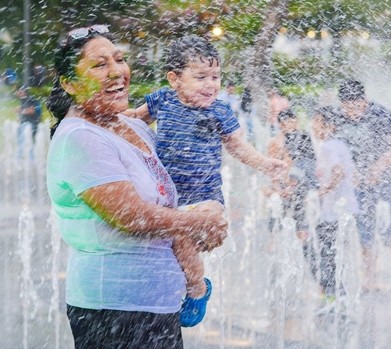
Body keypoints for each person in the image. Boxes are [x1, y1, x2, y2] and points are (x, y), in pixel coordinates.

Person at [45, 25, 228, 348]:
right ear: (70, 83)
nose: (117, 71)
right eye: (100, 65)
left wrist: (208, 209)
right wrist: (199, 221)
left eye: (119, 59)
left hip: (159, 306)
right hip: (114, 311)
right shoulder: (80, 137)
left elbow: (169, 192)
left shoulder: (131, 126)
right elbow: (130, 216)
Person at [126, 35, 286, 321]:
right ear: (175, 79)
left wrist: (264, 164)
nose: (211, 84)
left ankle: (198, 290)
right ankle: (170, 289)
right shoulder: (162, 100)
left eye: (216, 76)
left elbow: (236, 145)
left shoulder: (219, 111)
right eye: (200, 77)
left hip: (205, 197)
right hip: (168, 197)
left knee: (183, 242)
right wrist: (105, 122)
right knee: (163, 245)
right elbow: (133, 121)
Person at [336, 79, 391, 291]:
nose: (352, 112)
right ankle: (370, 279)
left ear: (364, 100)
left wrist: (380, 166)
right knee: (365, 232)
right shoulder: (340, 118)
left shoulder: (380, 114)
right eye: (347, 108)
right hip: (360, 185)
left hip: (387, 181)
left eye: (356, 107)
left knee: (388, 232)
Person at [311, 105, 359, 307]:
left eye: (318, 123)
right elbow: (353, 175)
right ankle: (339, 296)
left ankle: (331, 297)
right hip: (345, 209)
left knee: (326, 254)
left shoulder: (328, 147)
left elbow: (339, 172)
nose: (314, 127)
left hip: (333, 213)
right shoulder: (340, 144)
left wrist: (323, 191)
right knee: (336, 253)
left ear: (329, 126)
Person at [267, 108, 319, 280]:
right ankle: (276, 280)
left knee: (302, 233)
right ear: (280, 125)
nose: (290, 126)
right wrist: (278, 188)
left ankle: (311, 276)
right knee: (275, 235)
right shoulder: (275, 143)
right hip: (281, 193)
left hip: (299, 193)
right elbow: (270, 170)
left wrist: (299, 188)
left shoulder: (304, 138)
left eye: (292, 122)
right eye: (285, 123)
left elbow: (309, 166)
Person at [15, 86, 42, 159]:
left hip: (31, 124)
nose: (18, 93)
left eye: (20, 91)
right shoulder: (24, 100)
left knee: (24, 138)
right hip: (29, 124)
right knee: (23, 138)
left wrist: (20, 111)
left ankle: (23, 158)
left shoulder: (30, 99)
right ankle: (25, 157)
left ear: (24, 92)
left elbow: (31, 110)